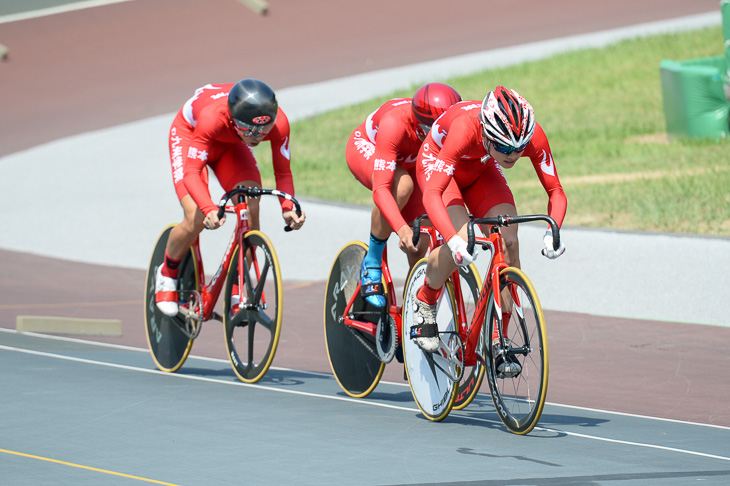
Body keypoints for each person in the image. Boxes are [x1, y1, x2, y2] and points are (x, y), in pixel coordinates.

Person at [410, 86, 567, 377]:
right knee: (462, 242)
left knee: (509, 240)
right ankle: (426, 297)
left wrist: (552, 229)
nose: (515, 155)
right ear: (487, 132)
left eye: (520, 148)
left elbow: (556, 191)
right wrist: (455, 240)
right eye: (506, 148)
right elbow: (432, 194)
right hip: (439, 166)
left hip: (481, 168)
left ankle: (499, 338)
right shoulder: (464, 130)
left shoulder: (527, 136)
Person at [155, 78, 306, 316]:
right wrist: (207, 208)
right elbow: (192, 173)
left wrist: (287, 207)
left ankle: (239, 285)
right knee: (194, 215)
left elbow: (283, 172)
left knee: (251, 204)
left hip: (232, 142)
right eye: (251, 130)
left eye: (263, 131)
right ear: (234, 120)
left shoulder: (275, 125)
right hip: (192, 134)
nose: (257, 137)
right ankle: (167, 273)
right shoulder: (212, 118)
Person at [346, 82, 462, 307]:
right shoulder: (395, 123)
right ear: (421, 124)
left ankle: (411, 313)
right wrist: (401, 229)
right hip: (369, 149)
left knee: (419, 244)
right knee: (402, 187)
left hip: (408, 162)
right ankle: (372, 261)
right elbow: (381, 190)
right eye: (436, 130)